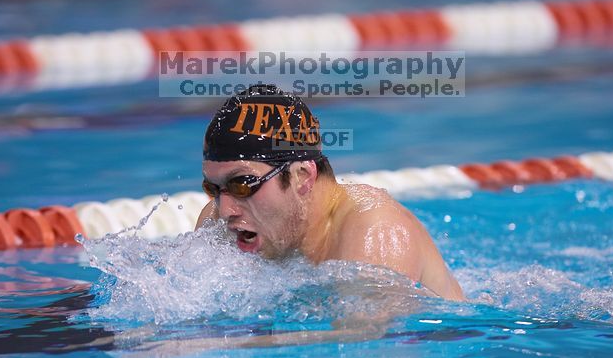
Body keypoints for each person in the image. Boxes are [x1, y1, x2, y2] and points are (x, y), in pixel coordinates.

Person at [196, 84, 464, 301]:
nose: (226, 210)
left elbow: (364, 349)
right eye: (214, 188)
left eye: (242, 184)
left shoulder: (375, 232)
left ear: (302, 176)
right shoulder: (219, 222)